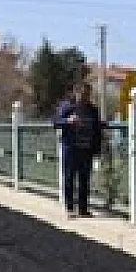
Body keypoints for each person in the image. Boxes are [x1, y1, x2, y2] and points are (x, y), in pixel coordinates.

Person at [52, 83, 103, 218]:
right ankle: (70, 208)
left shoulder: (93, 110)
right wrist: (68, 120)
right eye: (83, 94)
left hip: (87, 149)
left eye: (88, 94)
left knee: (84, 180)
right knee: (69, 178)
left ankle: (83, 209)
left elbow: (97, 128)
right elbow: (56, 122)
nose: (86, 97)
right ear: (76, 93)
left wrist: (97, 148)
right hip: (71, 149)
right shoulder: (67, 107)